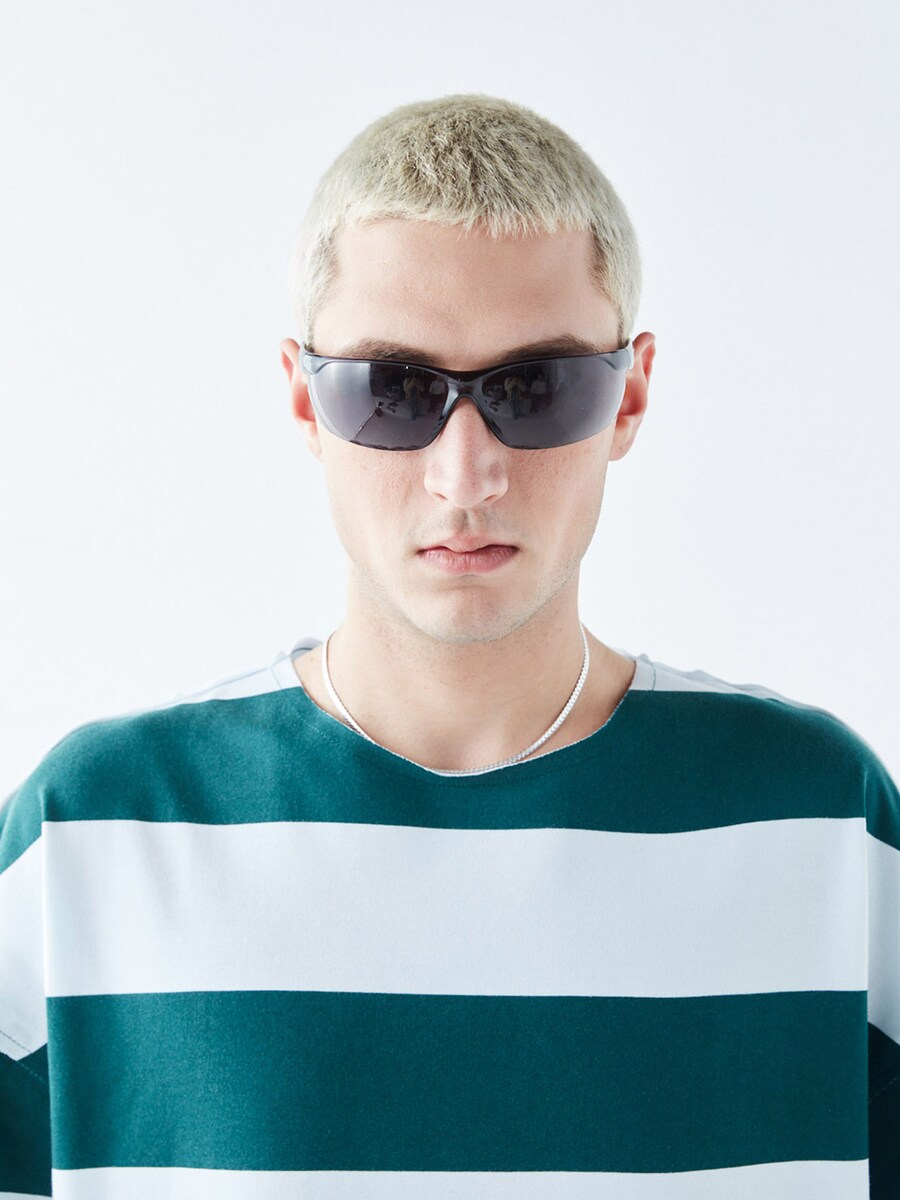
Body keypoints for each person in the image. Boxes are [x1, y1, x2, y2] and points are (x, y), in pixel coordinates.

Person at [1, 93, 897, 1199]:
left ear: (630, 397)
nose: (464, 476)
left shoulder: (823, 823)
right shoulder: (92, 835)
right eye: (394, 390)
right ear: (304, 399)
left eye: (536, 387)